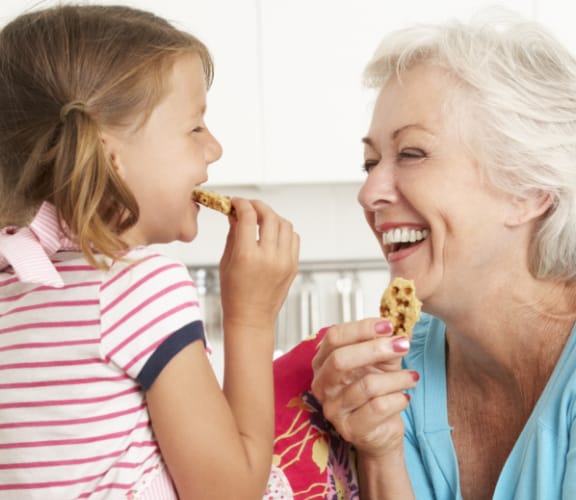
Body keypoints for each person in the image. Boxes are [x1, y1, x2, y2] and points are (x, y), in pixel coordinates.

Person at [272, 10, 576, 500]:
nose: (369, 192)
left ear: (529, 189)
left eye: (411, 154)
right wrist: (378, 450)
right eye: (370, 162)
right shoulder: (394, 378)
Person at [0, 4, 299, 499]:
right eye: (195, 127)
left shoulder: (12, 284)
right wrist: (251, 317)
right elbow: (230, 492)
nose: (215, 148)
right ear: (109, 156)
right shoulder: (138, 287)